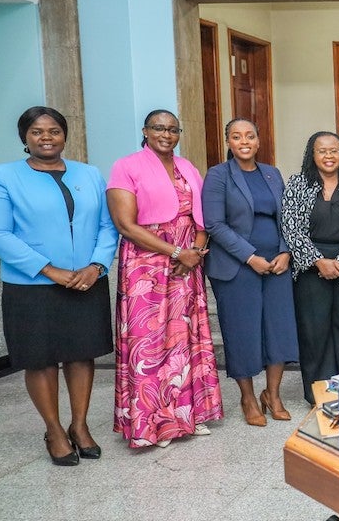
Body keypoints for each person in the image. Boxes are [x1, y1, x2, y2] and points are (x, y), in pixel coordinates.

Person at [0, 107, 117, 465]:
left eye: (54, 131)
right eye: (37, 131)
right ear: (25, 137)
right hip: (32, 286)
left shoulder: (89, 174)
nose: (46, 137)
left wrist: (97, 265)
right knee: (39, 360)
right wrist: (47, 269)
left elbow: (108, 225)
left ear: (64, 135)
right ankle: (54, 429)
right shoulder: (3, 177)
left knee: (81, 353)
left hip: (87, 280)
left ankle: (80, 425)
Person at [107, 109, 223, 448]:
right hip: (148, 264)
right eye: (158, 128)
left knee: (186, 337)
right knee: (150, 341)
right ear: (145, 130)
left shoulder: (187, 167)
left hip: (187, 263)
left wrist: (196, 252)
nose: (166, 134)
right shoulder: (126, 166)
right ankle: (155, 422)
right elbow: (126, 225)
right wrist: (176, 253)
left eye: (173, 129)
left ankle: (189, 415)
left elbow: (201, 218)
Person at [201, 119, 299, 427]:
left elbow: (288, 216)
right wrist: (250, 256)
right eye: (236, 136)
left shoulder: (272, 173)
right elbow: (214, 224)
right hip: (236, 266)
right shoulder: (218, 175)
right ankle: (247, 397)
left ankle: (273, 394)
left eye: (250, 136)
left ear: (258, 141)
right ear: (228, 142)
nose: (244, 141)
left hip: (277, 265)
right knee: (241, 332)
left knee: (279, 329)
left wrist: (286, 251)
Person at [280, 131, 339, 406]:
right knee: (314, 331)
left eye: (334, 150)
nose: (329, 156)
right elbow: (291, 227)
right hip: (311, 270)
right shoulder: (298, 184)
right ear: (312, 154)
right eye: (322, 151)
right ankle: (318, 393)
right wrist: (318, 261)